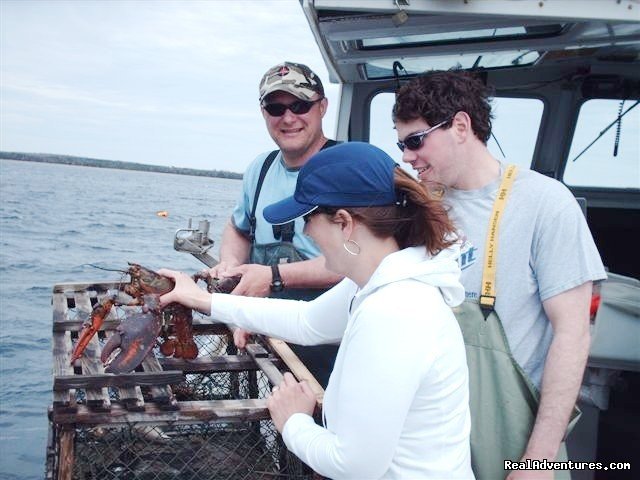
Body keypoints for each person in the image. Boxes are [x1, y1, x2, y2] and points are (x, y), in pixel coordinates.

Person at [159, 142, 474, 479]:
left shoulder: (394, 313)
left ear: (344, 223)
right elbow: (306, 321)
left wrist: (293, 421)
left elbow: (355, 465)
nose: (306, 231)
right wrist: (204, 301)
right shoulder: (375, 281)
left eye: (309, 218)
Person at [393, 70, 607, 480]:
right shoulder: (418, 209)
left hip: (515, 436)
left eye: (416, 141)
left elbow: (573, 333)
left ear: (460, 126)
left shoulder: (546, 203)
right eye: (402, 145)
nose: (407, 156)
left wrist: (539, 459)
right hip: (431, 435)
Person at [208, 61, 341, 387]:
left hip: (336, 340)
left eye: (300, 105)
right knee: (287, 424)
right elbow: (239, 227)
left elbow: (360, 261)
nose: (288, 117)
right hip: (273, 335)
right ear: (263, 112)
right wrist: (230, 265)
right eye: (275, 107)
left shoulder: (346, 167)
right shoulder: (261, 168)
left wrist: (273, 278)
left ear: (322, 107)